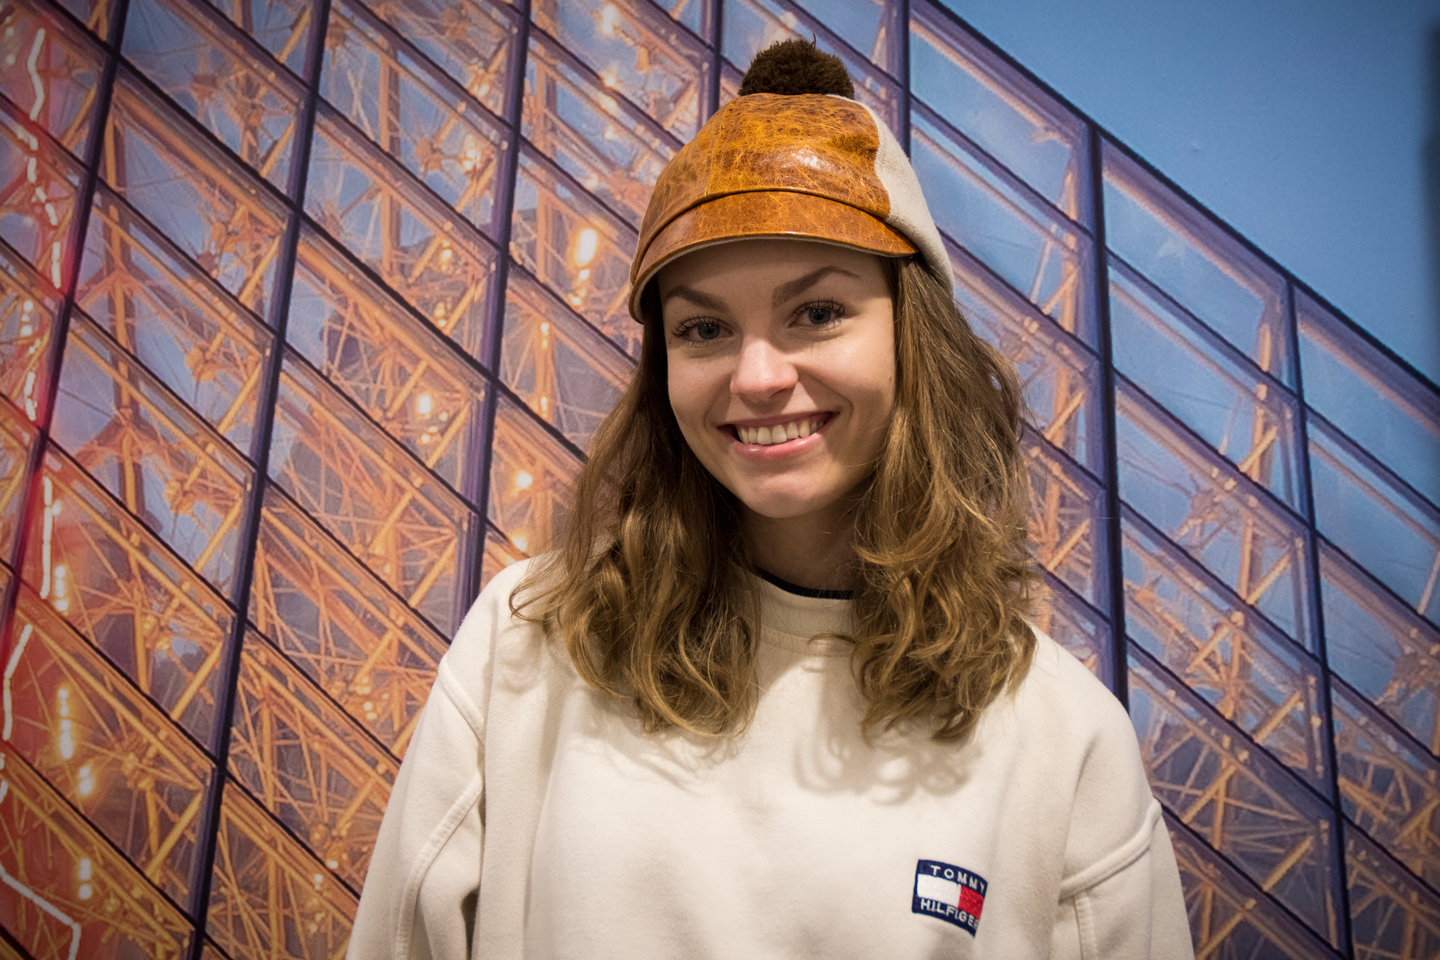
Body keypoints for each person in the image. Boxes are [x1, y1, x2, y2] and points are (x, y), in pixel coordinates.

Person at [348, 40, 1193, 960]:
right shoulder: (524, 648)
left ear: (914, 337)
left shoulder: (1065, 742)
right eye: (703, 327)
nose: (756, 377)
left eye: (817, 313)